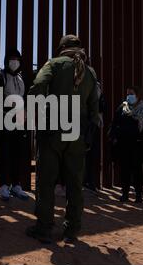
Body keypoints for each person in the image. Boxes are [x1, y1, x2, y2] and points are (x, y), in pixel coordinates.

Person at [26, 35, 101, 243]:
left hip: (53, 129)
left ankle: (44, 228)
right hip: (78, 132)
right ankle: (72, 229)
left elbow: (38, 87)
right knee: (75, 183)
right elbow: (95, 108)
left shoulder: (54, 64)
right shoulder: (90, 72)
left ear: (62, 48)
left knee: (46, 180)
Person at [0, 49, 30, 202]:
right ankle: (3, 185)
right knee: (4, 152)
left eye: (17, 59)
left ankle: (16, 185)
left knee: (19, 152)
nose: (14, 62)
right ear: (6, 61)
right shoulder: (0, 76)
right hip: (5, 118)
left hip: (20, 118)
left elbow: (26, 97)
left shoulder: (22, 78)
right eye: (11, 59)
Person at [109, 86, 143, 203]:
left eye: (131, 94)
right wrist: (114, 136)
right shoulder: (122, 108)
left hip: (137, 145)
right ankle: (125, 194)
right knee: (125, 170)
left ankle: (138, 195)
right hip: (124, 145)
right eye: (128, 94)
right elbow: (115, 123)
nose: (129, 96)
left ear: (137, 95)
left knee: (137, 171)